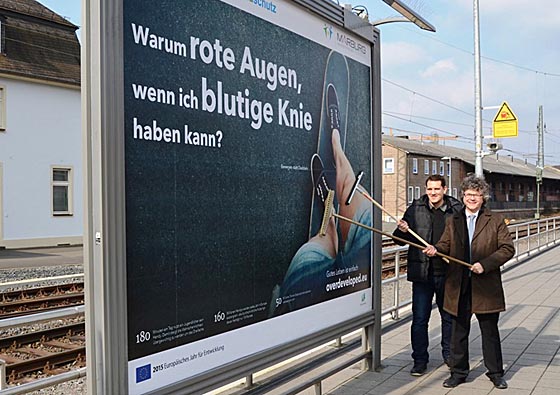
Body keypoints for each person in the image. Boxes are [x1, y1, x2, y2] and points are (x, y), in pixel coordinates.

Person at [423, 175, 515, 389]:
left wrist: (485, 264)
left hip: (485, 285)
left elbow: (507, 248)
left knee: (489, 332)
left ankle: (496, 373)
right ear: (462, 196)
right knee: (458, 331)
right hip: (459, 283)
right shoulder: (453, 219)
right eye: (468, 194)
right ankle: (458, 372)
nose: (472, 198)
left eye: (476, 194)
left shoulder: (495, 220)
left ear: (483, 197)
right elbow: (445, 244)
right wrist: (436, 249)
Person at [393, 175, 462, 376]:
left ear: (444, 189)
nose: (433, 193)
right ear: (426, 189)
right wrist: (402, 230)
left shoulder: (456, 209)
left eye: (437, 189)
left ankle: (449, 356)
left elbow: (464, 240)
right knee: (420, 319)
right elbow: (399, 241)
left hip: (448, 274)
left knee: (448, 318)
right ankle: (420, 361)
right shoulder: (415, 209)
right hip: (422, 275)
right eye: (429, 189)